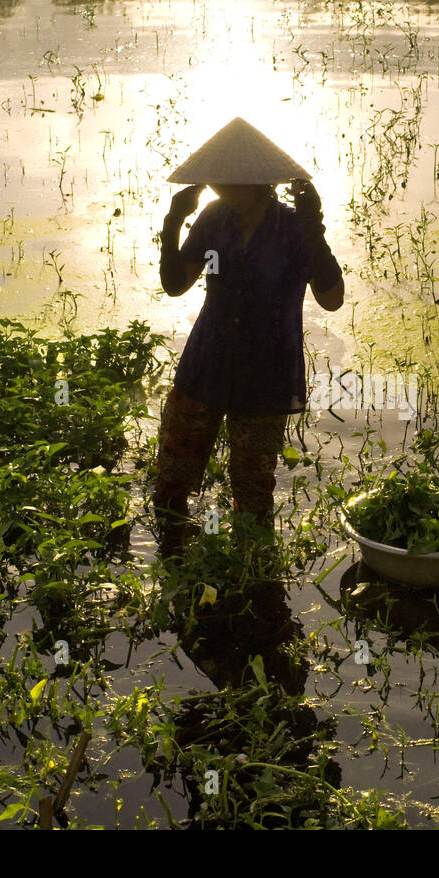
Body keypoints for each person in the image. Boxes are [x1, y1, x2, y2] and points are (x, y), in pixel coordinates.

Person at [153, 118, 345, 559]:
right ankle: (176, 563)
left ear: (261, 183)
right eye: (218, 181)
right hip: (207, 361)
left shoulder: (295, 228)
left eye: (233, 182)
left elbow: (331, 300)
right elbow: (175, 284)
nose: (222, 189)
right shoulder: (213, 219)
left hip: (266, 372)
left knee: (253, 492)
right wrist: (172, 222)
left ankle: (253, 579)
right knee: (173, 478)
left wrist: (315, 228)